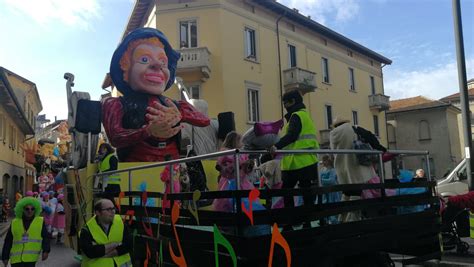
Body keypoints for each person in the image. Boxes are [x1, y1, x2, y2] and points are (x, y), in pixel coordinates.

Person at [102, 27, 210, 163]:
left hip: (172, 171)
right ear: (126, 67)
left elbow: (204, 120)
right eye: (145, 59)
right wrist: (148, 131)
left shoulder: (174, 105)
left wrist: (180, 114)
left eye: (163, 62)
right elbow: (115, 137)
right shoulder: (115, 104)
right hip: (135, 172)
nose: (157, 65)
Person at [268, 90, 320, 215]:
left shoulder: (295, 116)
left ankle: (290, 222)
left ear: (293, 101)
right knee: (307, 194)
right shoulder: (305, 116)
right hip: (308, 161)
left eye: (286, 103)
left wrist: (276, 146)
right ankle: (308, 222)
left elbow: (292, 136)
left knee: (287, 192)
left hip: (297, 162)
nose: (284, 106)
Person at [329, 117, 377, 222]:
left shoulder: (333, 134)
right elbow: (371, 137)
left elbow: (333, 151)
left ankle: (341, 219)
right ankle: (353, 220)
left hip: (342, 167)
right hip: (355, 166)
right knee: (356, 194)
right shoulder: (354, 128)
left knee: (346, 194)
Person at [79, 199, 132, 267]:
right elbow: (90, 252)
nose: (113, 211)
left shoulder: (120, 222)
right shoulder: (87, 230)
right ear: (97, 212)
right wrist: (115, 244)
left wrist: (102, 250)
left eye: (113, 208)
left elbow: (129, 245)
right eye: (108, 209)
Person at [2, 197, 50, 266]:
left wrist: (46, 250)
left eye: (32, 209)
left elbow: (45, 237)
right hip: (16, 260)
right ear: (22, 209)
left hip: (31, 259)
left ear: (35, 210)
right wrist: (5, 256)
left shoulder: (40, 221)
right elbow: (8, 240)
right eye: (27, 209)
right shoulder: (15, 222)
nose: (29, 211)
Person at [319, 155, 341, 224]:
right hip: (324, 192)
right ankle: (325, 220)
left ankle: (334, 221)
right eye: (323, 160)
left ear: (329, 161)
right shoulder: (322, 169)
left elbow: (332, 181)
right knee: (324, 206)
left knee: (332, 207)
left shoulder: (332, 170)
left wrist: (320, 181)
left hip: (332, 192)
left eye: (325, 160)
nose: (323, 162)